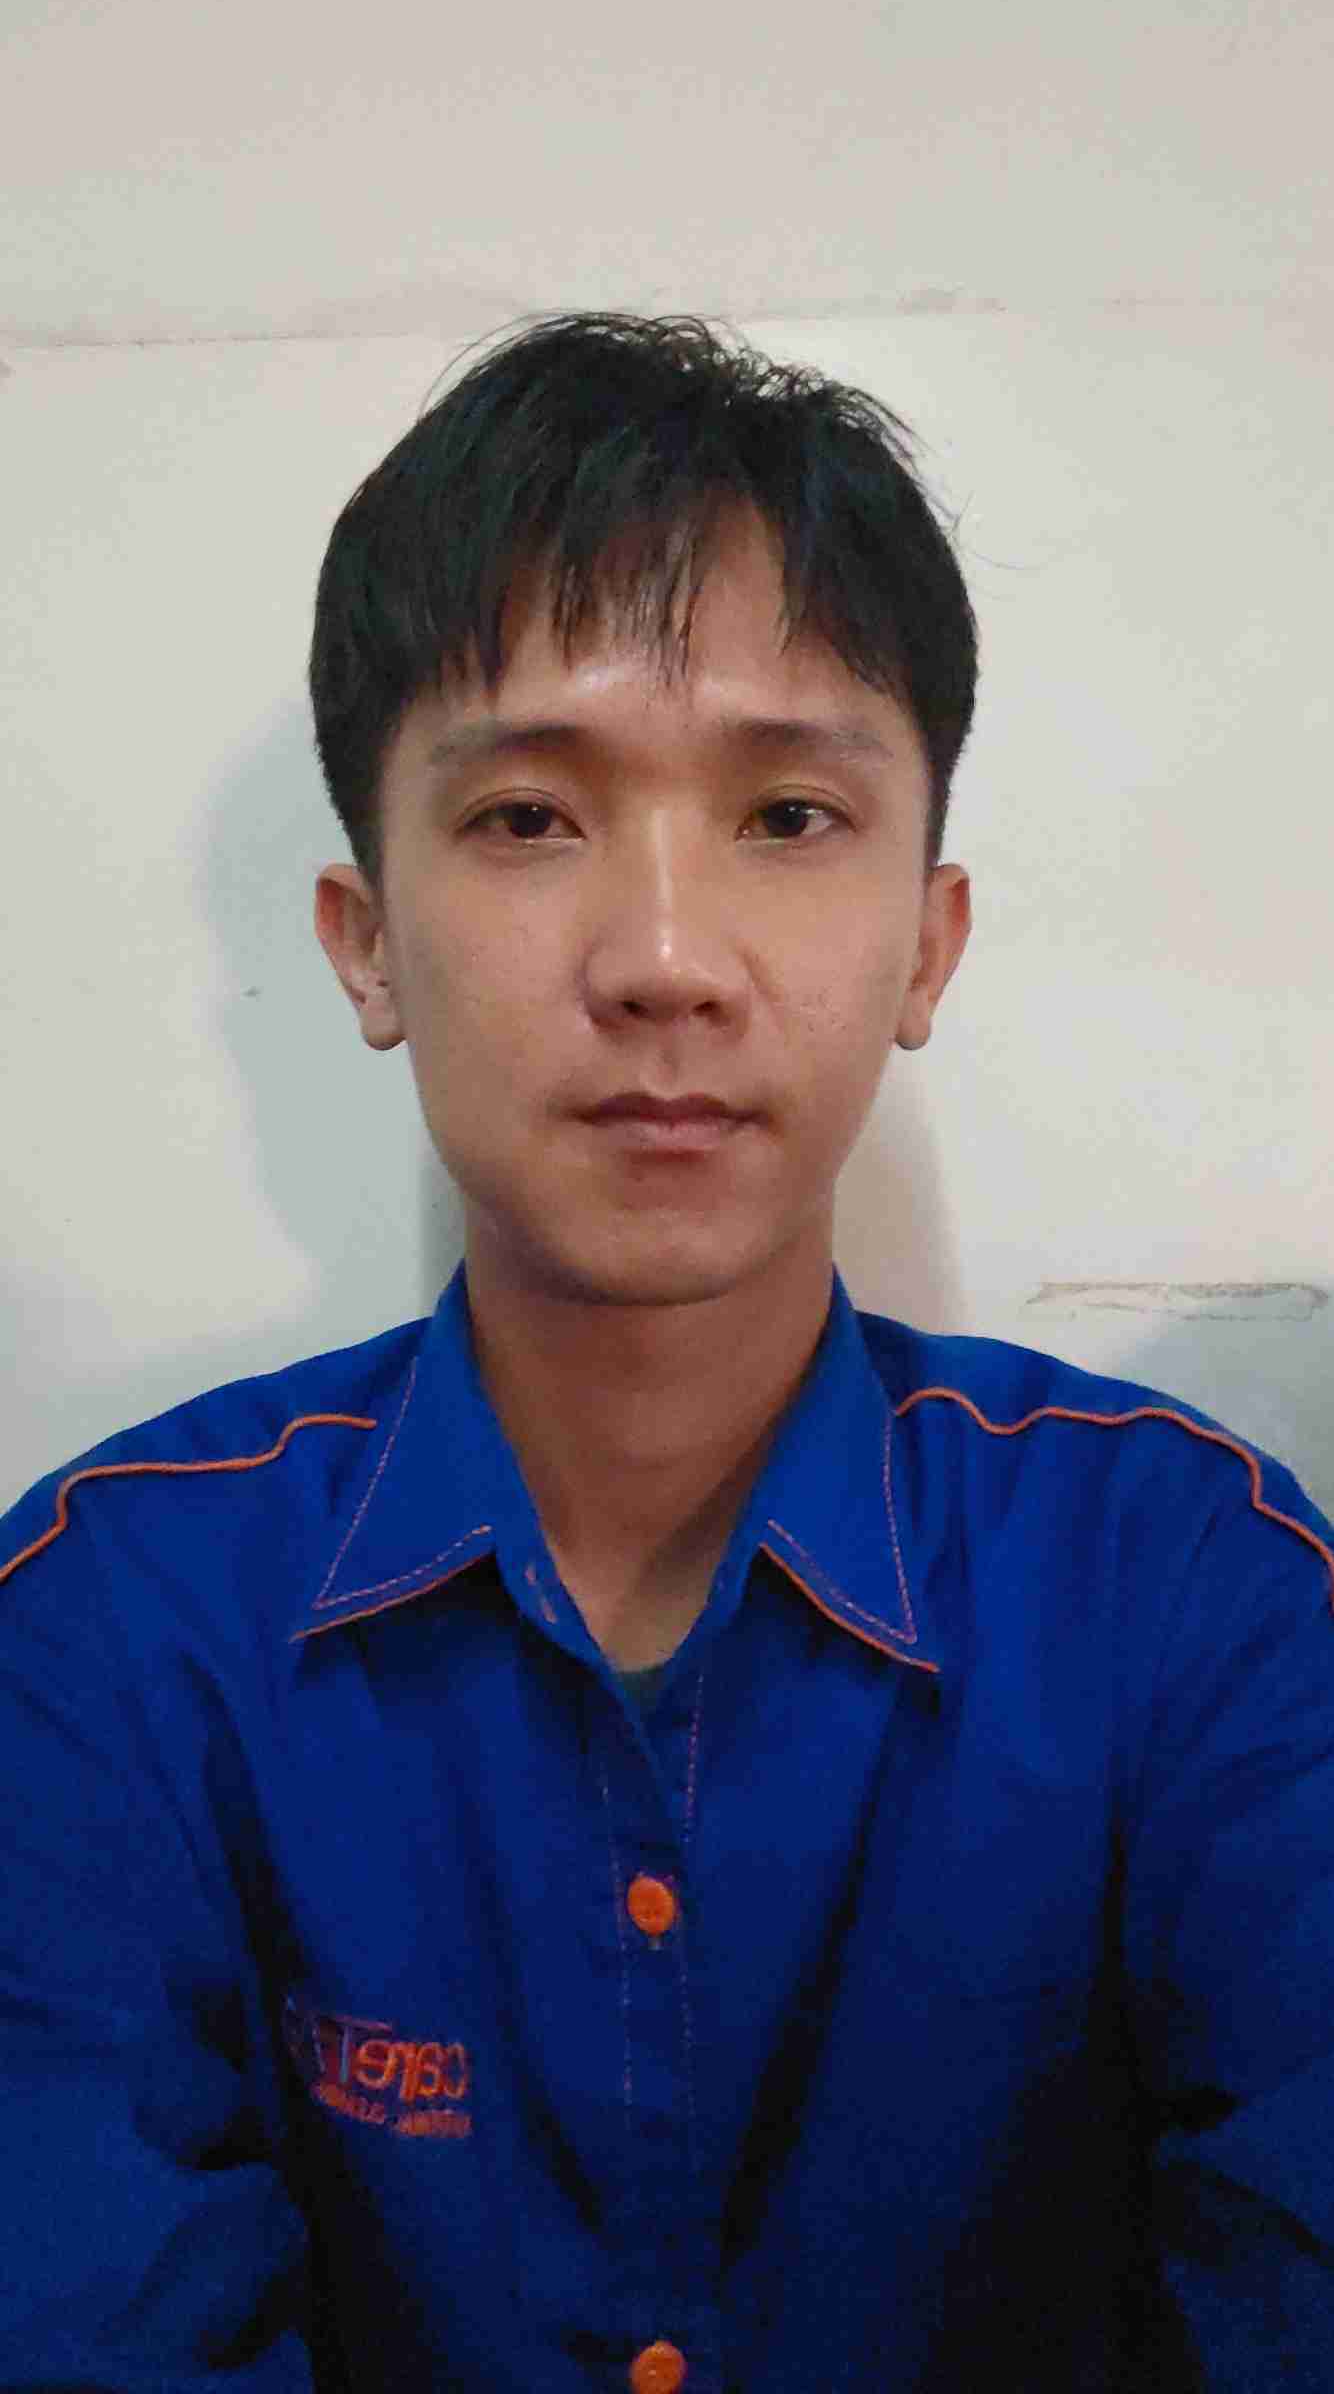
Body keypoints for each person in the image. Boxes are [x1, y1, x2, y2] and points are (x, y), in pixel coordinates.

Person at [2, 311, 1331, 2394]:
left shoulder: (1194, 1596)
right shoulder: (106, 1631)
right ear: (363, 942)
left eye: (786, 816)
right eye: (528, 817)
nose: (665, 962)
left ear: (927, 943)